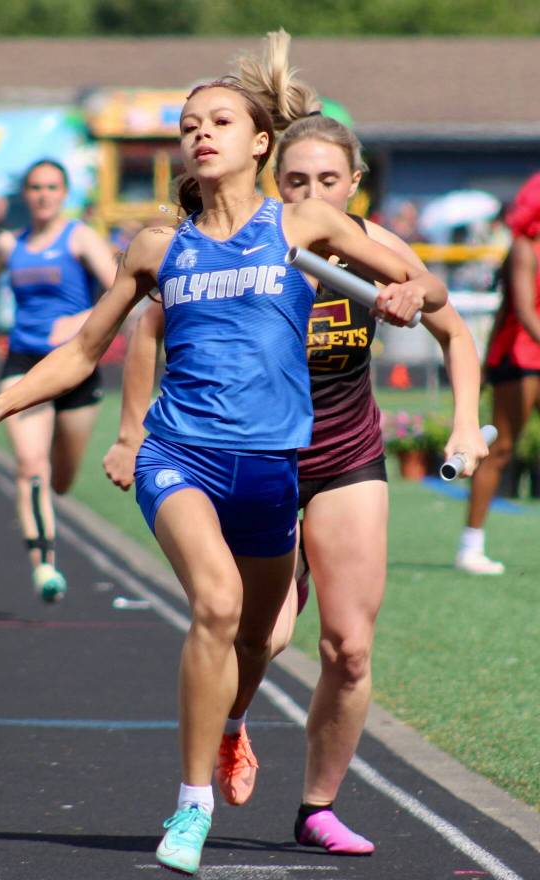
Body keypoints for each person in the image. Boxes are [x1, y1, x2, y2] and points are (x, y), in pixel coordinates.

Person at [0, 71, 447, 874]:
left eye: (219, 120)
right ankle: (191, 808)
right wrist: (4, 403)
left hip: (269, 469)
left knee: (257, 635)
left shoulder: (304, 222)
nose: (201, 134)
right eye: (189, 124)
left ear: (261, 143)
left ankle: (227, 726)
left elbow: (419, 280)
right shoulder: (157, 246)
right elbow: (85, 349)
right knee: (215, 604)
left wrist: (408, 294)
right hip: (178, 455)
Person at [102, 31, 488, 857]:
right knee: (262, 635)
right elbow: (149, 333)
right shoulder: (249, 242)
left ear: (355, 187)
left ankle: (316, 806)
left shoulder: (363, 248)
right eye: (297, 180)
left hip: (341, 455)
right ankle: (233, 723)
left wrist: (456, 406)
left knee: (348, 647)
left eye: (327, 181)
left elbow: (449, 323)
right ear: (276, 177)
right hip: (246, 455)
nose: (311, 191)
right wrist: (132, 433)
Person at [0, 159, 118, 602]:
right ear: (25, 194)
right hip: (23, 362)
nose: (43, 195)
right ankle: (44, 565)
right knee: (31, 466)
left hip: (75, 365)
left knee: (60, 478)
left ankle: (50, 506)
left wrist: (81, 322)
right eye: (35, 187)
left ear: (64, 193)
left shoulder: (80, 237)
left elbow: (122, 290)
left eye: (51, 187)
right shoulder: (10, 245)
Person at [458, 172, 540, 574]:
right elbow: (524, 313)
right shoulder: (525, 247)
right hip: (519, 357)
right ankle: (470, 544)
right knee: (502, 447)